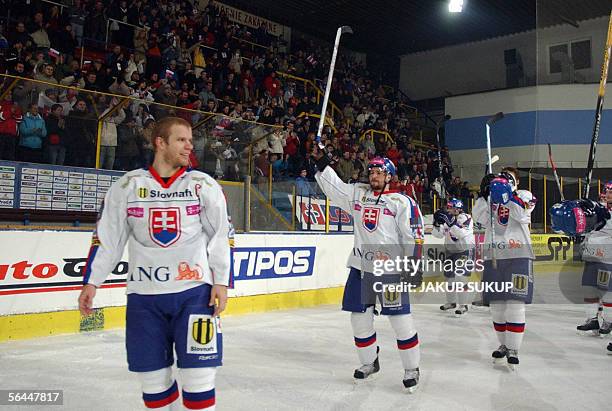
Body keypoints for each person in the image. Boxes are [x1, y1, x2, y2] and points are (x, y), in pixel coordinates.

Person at [78, 117, 233, 410]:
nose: (189, 146)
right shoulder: (127, 185)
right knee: (152, 381)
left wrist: (222, 282)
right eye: (181, 140)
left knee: (199, 378)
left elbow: (222, 236)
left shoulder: (202, 184)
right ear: (159, 143)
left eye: (190, 140)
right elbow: (108, 239)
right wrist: (92, 281)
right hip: (144, 299)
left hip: (195, 295)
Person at [314, 151, 424, 391]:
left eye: (379, 172)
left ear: (389, 176)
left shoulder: (402, 202)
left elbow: (414, 237)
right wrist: (322, 164)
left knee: (400, 321)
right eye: (371, 172)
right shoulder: (358, 194)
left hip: (391, 270)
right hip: (361, 268)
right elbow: (335, 188)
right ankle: (369, 363)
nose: (373, 176)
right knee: (359, 320)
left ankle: (411, 368)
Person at [473, 167, 536, 369]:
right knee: (497, 306)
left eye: (509, 177)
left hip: (519, 255)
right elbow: (479, 220)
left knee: (515, 304)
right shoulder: (490, 199)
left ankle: (514, 348)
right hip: (494, 256)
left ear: (516, 181)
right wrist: (484, 196)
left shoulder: (524, 195)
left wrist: (507, 195)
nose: (504, 179)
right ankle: (503, 345)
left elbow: (522, 215)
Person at [550, 187, 612, 354]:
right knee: (589, 289)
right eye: (607, 191)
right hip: (592, 256)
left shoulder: (605, 213)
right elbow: (588, 221)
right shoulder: (600, 208)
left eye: (611, 192)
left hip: (607, 257)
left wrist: (592, 221)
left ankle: (607, 321)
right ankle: (592, 319)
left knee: (607, 293)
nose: (608, 194)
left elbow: (601, 224)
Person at [432, 198, 475, 316]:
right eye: (449, 207)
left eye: (452, 207)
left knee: (461, 278)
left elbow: (460, 233)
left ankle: (463, 305)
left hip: (465, 251)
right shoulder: (447, 219)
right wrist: (436, 223)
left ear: (459, 208)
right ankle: (451, 302)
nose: (449, 209)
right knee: (449, 278)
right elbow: (437, 235)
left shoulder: (466, 217)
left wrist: (450, 222)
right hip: (450, 251)